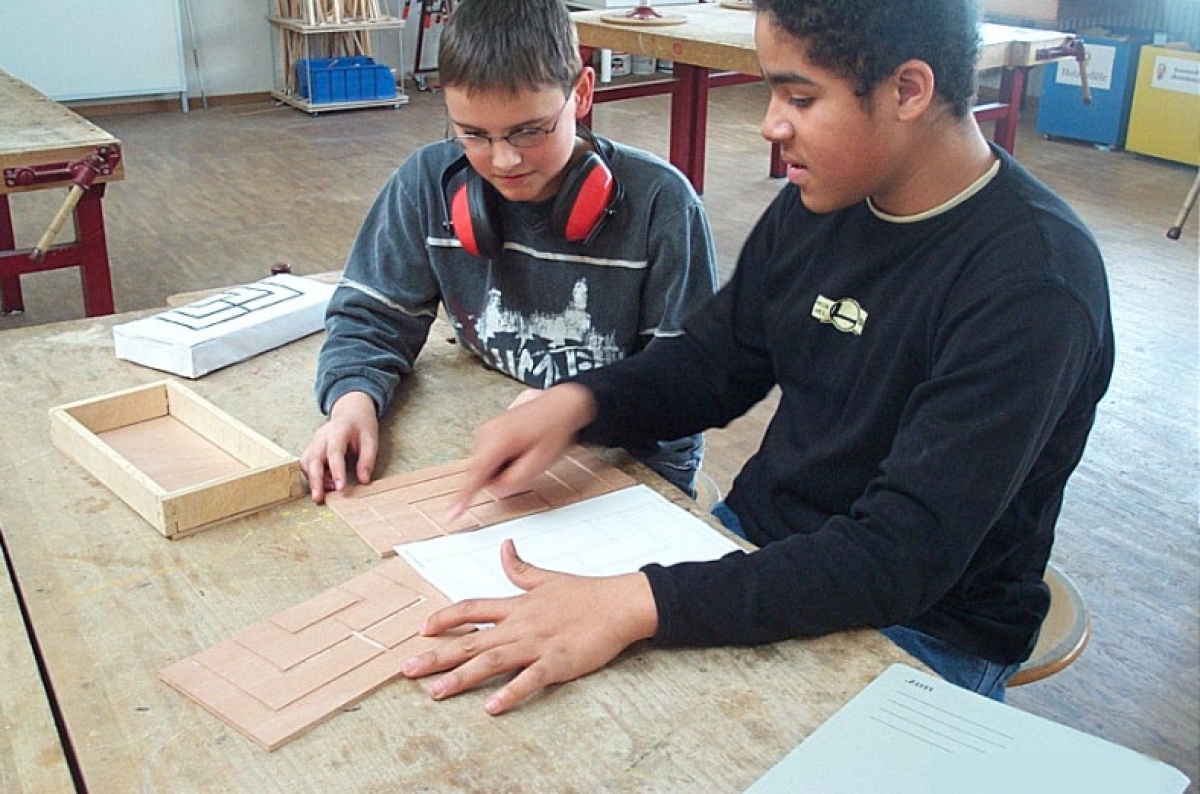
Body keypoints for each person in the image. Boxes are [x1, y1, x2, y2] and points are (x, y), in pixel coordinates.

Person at [399, 0, 1115, 715]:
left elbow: (900, 559)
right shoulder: (826, 201)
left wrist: (637, 602)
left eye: (800, 97)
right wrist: (581, 404)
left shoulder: (1032, 287)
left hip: (922, 625)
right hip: (758, 551)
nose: (772, 124)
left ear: (908, 91)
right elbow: (715, 362)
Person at [300, 0, 718, 502]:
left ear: (581, 93)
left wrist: (578, 418)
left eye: (528, 130)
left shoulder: (662, 205)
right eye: (473, 135)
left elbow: (687, 381)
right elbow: (371, 318)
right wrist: (352, 403)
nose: (503, 160)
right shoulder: (426, 184)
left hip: (628, 466)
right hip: (505, 438)